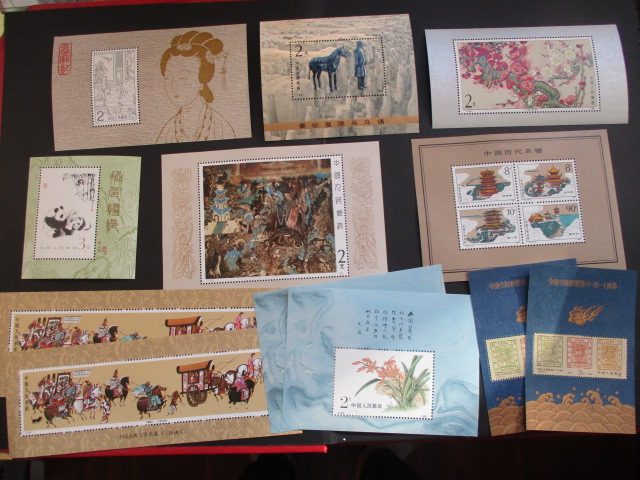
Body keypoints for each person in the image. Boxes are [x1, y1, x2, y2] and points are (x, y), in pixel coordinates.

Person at [157, 30, 235, 143]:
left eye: (182, 78)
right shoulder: (167, 132)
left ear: (201, 81)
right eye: (167, 78)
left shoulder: (221, 127)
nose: (173, 87)